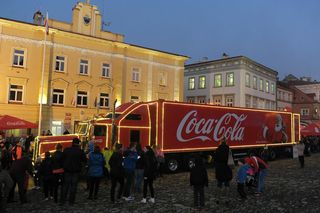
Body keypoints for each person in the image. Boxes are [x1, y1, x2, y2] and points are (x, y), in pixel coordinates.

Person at [60, 138, 87, 205]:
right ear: (78, 143)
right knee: (73, 187)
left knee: (65, 186)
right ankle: (71, 201)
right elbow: (84, 160)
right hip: (76, 171)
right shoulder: (80, 151)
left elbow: (62, 159)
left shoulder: (66, 150)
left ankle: (62, 201)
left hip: (67, 171)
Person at [214, 138, 232, 204]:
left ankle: (217, 199)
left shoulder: (217, 150)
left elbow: (215, 160)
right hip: (227, 169)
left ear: (220, 142)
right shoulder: (229, 150)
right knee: (227, 184)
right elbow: (231, 161)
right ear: (226, 142)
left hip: (219, 169)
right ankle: (227, 199)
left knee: (219, 184)